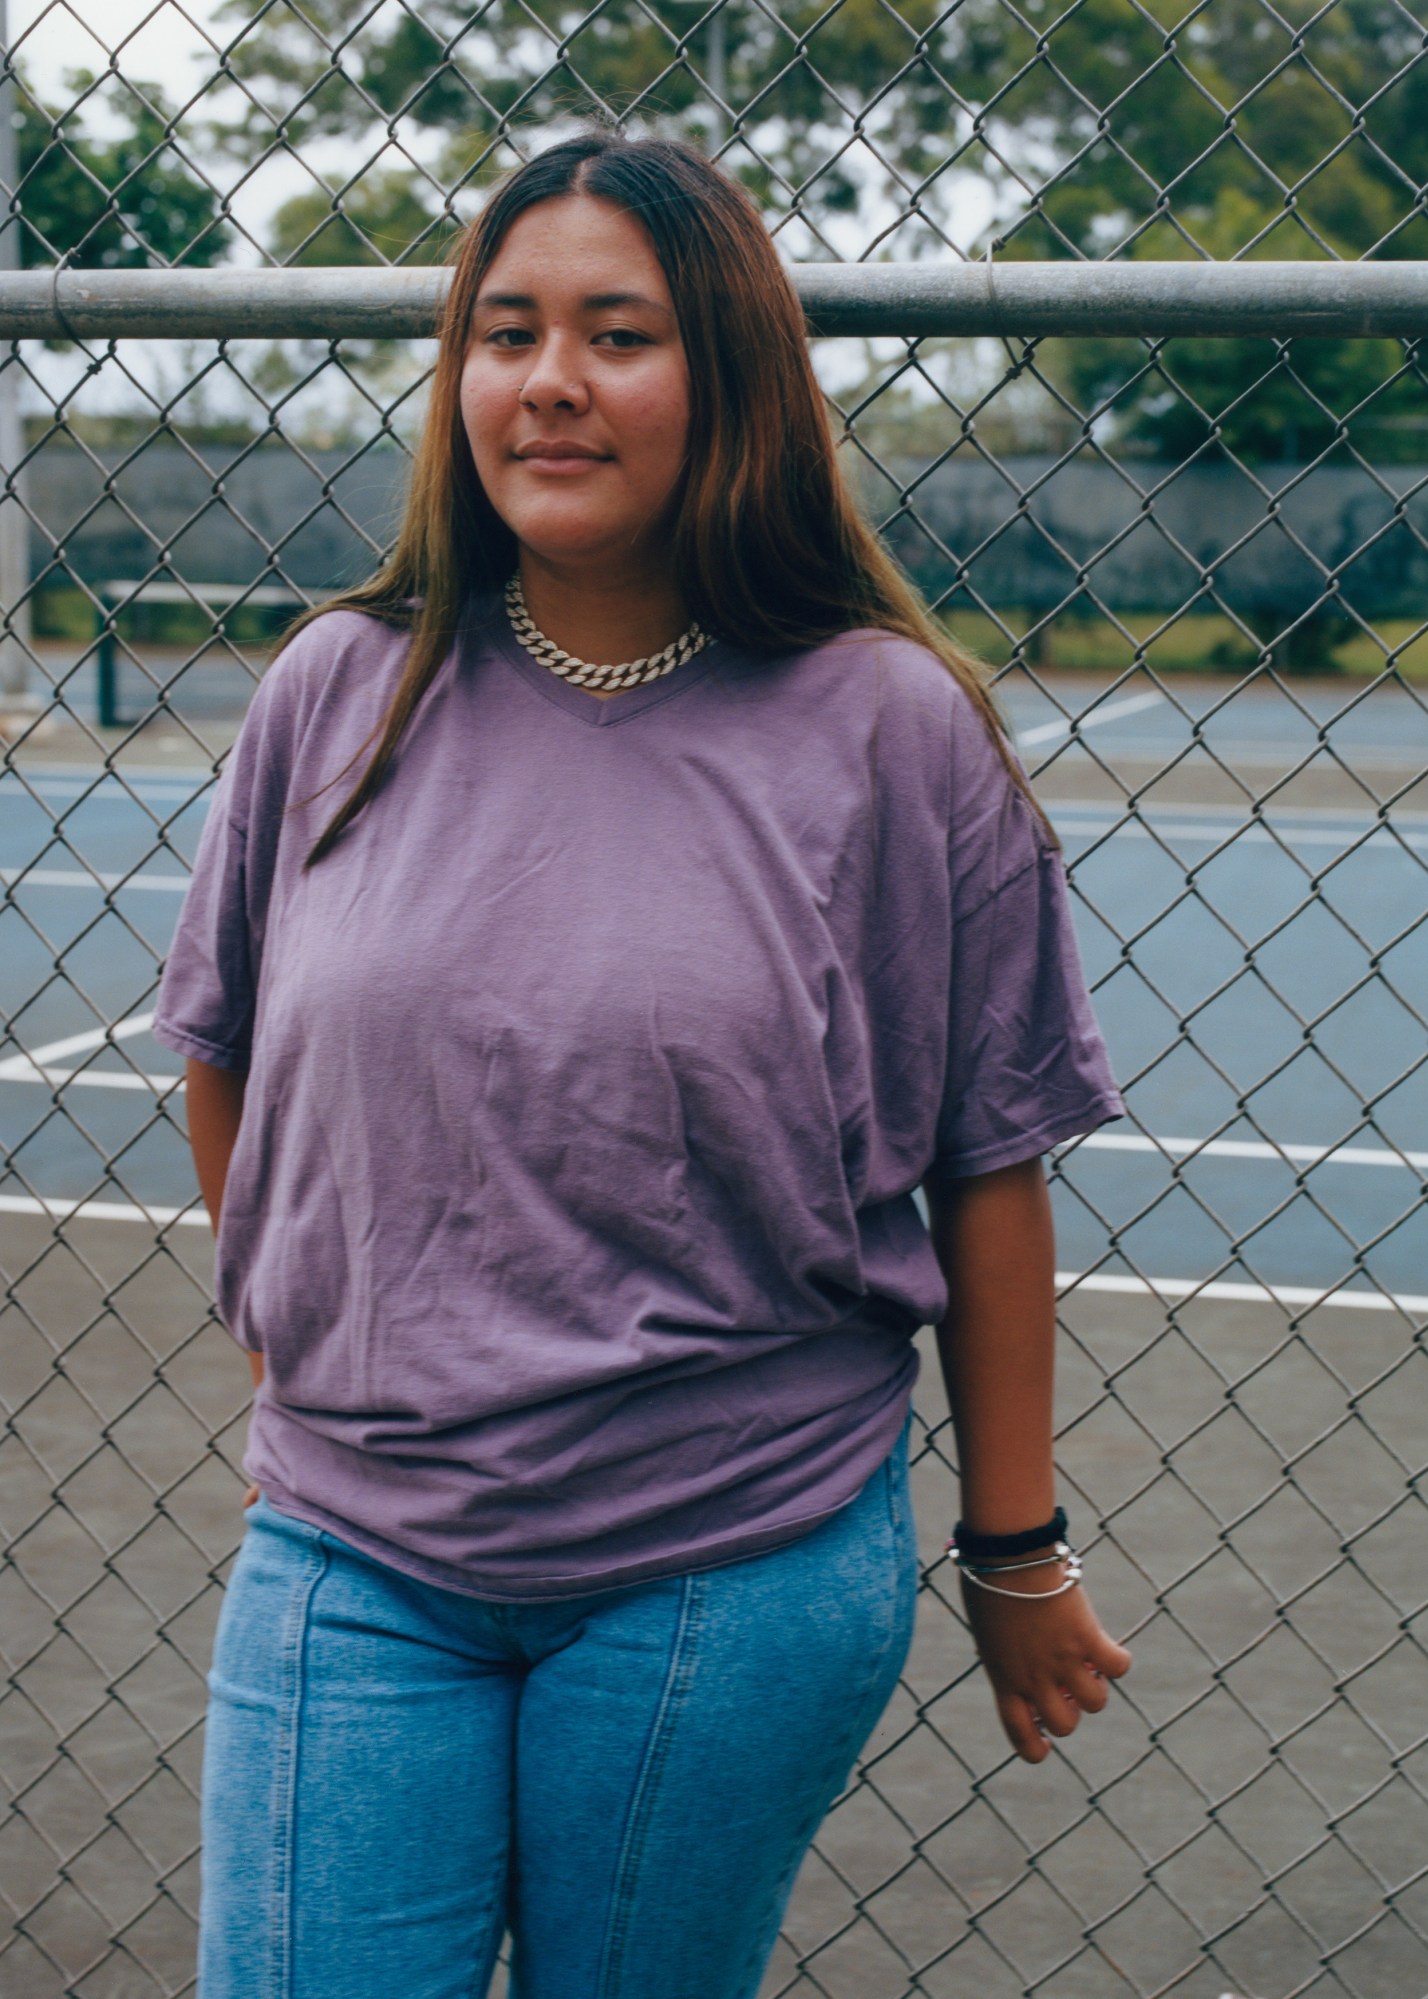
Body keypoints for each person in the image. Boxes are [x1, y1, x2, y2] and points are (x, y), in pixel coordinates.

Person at [154, 125, 1133, 1999]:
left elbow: (987, 1160)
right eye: (506, 332)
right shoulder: (336, 690)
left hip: (724, 1565)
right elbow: (231, 1046)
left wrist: (1016, 1549)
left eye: (620, 333)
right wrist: (298, 1328)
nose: (549, 383)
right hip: (356, 1553)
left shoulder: (889, 727)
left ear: (732, 376)